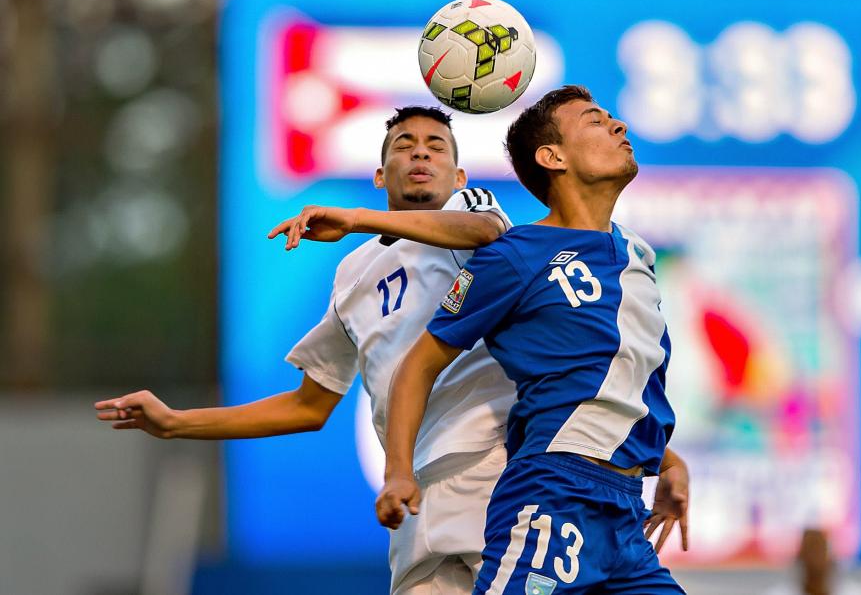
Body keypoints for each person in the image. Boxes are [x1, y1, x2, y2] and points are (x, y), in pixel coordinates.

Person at [95, 105, 688, 594]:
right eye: (405, 144)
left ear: (460, 177)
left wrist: (356, 217)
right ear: (380, 173)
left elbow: (490, 238)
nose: (421, 152)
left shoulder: (475, 219)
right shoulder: (353, 276)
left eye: (437, 145)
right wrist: (177, 424)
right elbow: (308, 406)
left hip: (497, 471)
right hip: (412, 501)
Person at [377, 86, 687, 594]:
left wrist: (669, 462)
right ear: (552, 157)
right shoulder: (516, 254)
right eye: (595, 120)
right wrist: (397, 472)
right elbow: (420, 364)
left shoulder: (638, 255)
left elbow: (619, 377)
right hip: (554, 496)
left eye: (613, 119)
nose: (619, 127)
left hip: (626, 515)